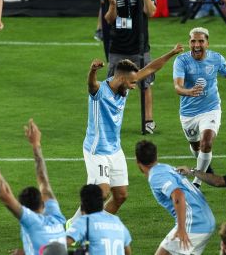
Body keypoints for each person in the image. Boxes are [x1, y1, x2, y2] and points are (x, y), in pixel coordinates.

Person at [68, 45, 183, 223]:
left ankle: (95, 225)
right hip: (97, 150)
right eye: (131, 83)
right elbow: (91, 84)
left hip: (115, 149)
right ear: (121, 78)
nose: (134, 87)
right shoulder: (100, 92)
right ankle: (75, 225)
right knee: (103, 192)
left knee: (121, 196)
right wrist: (92, 70)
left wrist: (172, 52)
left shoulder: (125, 86)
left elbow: (152, 67)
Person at [173, 27, 226, 187]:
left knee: (206, 142)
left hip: (210, 108)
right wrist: (188, 91)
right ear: (189, 43)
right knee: (196, 145)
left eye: (201, 41)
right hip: (188, 112)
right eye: (193, 41)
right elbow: (177, 87)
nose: (196, 45)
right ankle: (203, 162)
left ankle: (197, 181)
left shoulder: (217, 59)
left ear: (207, 43)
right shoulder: (181, 61)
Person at [0, 119, 66, 255]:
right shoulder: (56, 217)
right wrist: (36, 144)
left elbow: (4, 194)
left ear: (24, 208)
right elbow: (44, 182)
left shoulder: (32, 222)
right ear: (43, 202)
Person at [135, 140, 215, 255]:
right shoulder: (166, 168)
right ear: (156, 156)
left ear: (137, 161)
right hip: (207, 219)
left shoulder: (156, 177)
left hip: (194, 222)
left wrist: (182, 229)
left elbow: (178, 195)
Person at [105, 0, 158, 133]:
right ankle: (110, 121)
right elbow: (109, 19)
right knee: (112, 86)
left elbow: (151, 12)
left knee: (145, 85)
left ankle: (148, 121)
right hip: (118, 48)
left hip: (139, 47)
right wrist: (112, 4)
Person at [66, 184, 132, 255]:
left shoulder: (86, 221)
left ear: (83, 205)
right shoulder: (117, 222)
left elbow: (62, 245)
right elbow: (127, 251)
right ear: (101, 203)